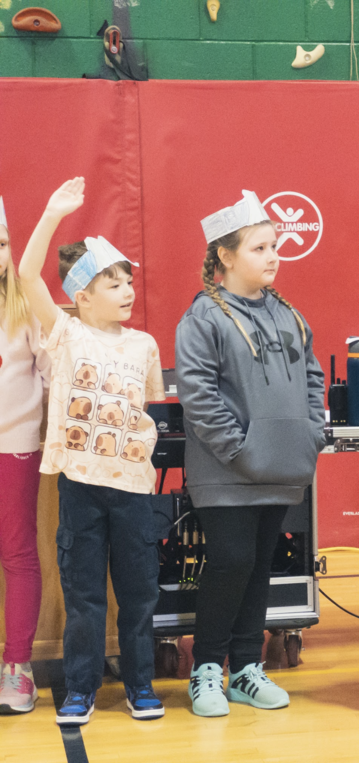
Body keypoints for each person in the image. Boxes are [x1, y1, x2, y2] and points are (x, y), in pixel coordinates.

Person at [18, 178, 166, 725]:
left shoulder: (143, 344)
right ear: (82, 295)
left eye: (129, 280)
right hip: (80, 485)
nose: (127, 290)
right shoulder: (66, 334)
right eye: (111, 282)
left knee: (138, 592)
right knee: (84, 596)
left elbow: (150, 407)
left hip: (133, 489)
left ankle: (141, 685)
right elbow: (27, 276)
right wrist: (54, 212)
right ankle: (79, 689)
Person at [176, 191, 326, 717]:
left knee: (260, 564)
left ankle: (246, 666)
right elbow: (198, 394)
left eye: (275, 246)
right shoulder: (204, 318)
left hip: (281, 468)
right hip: (228, 472)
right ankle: (208, 668)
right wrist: (238, 449)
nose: (272, 256)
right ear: (225, 257)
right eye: (260, 247)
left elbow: (312, 377)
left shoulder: (289, 315)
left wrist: (311, 430)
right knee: (231, 562)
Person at [0, 196, 50, 715]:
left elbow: (53, 367)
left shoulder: (23, 307)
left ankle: (17, 666)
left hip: (12, 448)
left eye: (3, 244)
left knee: (17, 554)